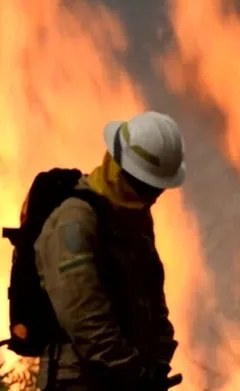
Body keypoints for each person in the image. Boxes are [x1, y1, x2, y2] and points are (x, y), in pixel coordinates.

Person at [34, 111, 185, 391]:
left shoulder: (133, 223)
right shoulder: (75, 219)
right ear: (120, 169)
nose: (151, 197)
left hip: (126, 379)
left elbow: (152, 296)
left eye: (157, 189)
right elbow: (84, 317)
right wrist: (134, 374)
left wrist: (159, 358)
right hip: (78, 380)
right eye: (144, 184)